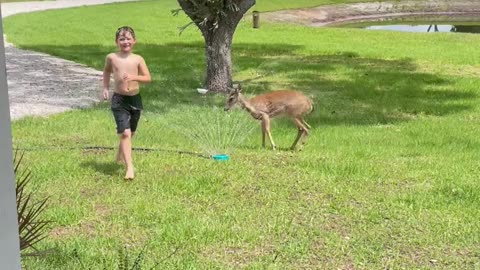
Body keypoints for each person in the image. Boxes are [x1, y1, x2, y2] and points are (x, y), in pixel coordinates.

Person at [102, 26, 151, 180]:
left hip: (134, 98)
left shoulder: (138, 59)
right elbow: (107, 72)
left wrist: (133, 77)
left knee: (132, 132)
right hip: (119, 99)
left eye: (128, 38)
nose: (125, 41)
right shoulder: (111, 57)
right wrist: (105, 88)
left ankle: (120, 153)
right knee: (125, 132)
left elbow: (147, 78)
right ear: (116, 42)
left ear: (134, 41)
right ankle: (129, 167)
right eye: (122, 39)